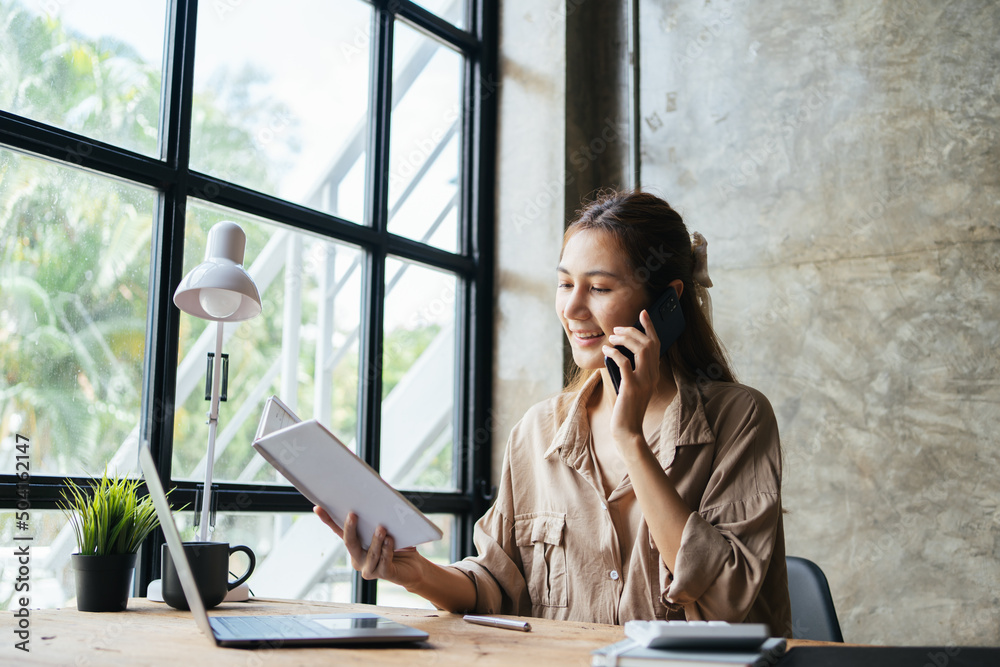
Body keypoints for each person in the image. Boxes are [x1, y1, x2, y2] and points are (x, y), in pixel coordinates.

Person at [315, 190, 791, 634]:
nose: (573, 309)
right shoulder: (538, 431)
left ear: (668, 301)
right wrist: (416, 572)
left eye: (600, 288)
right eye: (565, 284)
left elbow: (727, 603)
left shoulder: (740, 418)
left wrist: (630, 438)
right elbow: (497, 584)